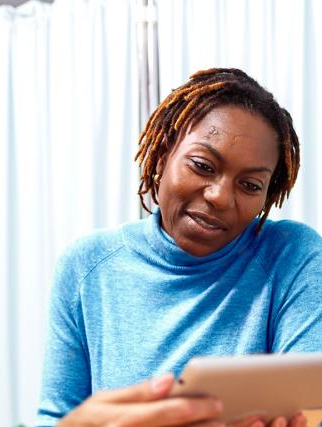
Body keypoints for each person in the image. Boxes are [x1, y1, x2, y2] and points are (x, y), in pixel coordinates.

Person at [37, 68, 322, 427]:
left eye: (250, 185)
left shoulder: (293, 256)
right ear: (161, 157)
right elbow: (56, 419)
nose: (219, 196)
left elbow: (312, 409)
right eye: (202, 166)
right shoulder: (86, 267)